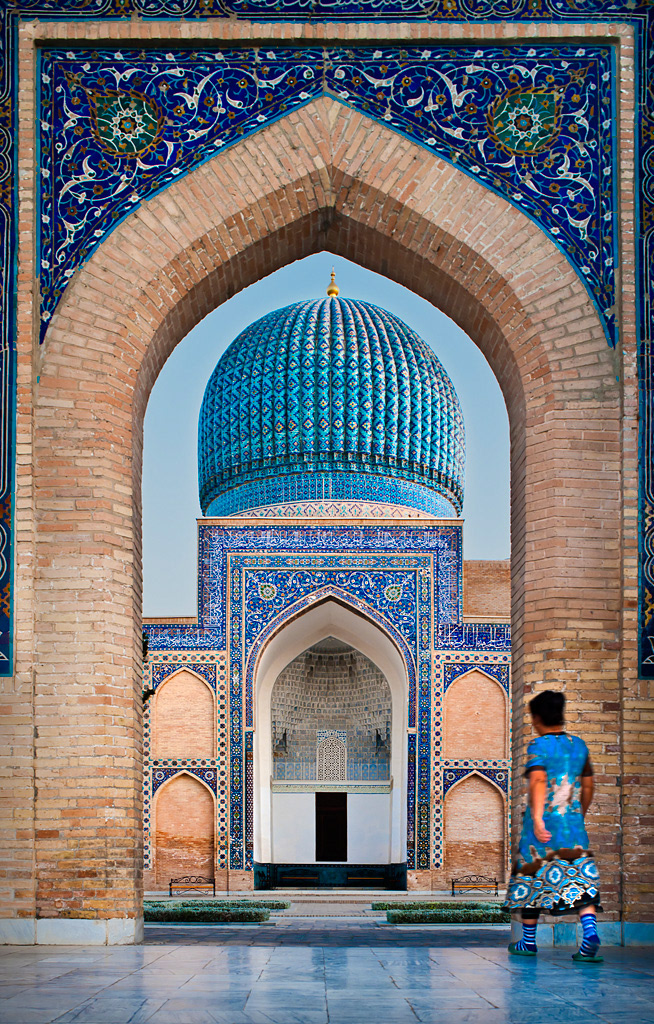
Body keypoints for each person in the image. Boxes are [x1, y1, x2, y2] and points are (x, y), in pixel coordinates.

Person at [503, 689, 603, 962]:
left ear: (537, 718)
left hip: (543, 826)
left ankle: (528, 942)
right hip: (572, 825)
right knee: (581, 880)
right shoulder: (578, 745)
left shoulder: (539, 746)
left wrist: (536, 819)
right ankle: (590, 935)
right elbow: (589, 785)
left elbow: (537, 781)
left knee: (531, 879)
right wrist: (578, 813)